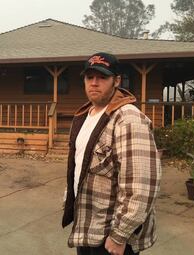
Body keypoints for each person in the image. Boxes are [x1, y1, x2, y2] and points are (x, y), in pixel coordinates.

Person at [61, 52, 161, 255]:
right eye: (90, 77)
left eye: (102, 77)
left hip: (111, 236)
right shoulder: (84, 115)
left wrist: (119, 235)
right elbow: (79, 166)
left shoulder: (128, 119)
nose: (94, 83)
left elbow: (141, 184)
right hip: (88, 226)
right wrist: (68, 198)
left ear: (116, 81)